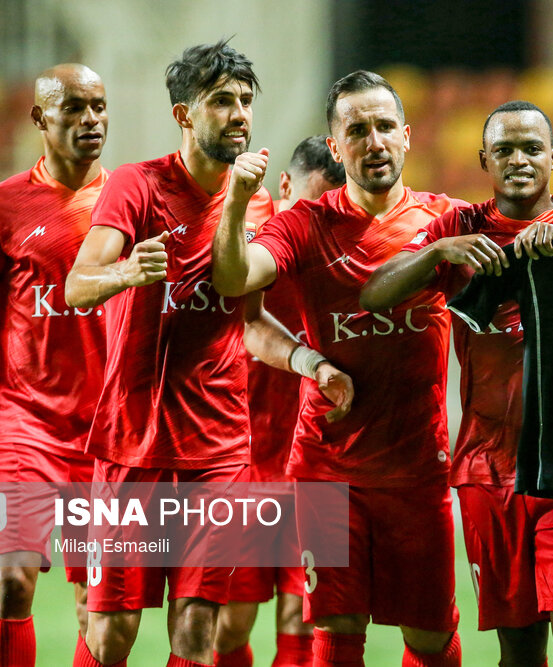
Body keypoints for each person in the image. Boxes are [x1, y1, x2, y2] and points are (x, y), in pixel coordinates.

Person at [211, 72, 553, 667]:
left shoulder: (448, 220)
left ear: (407, 136)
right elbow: (238, 282)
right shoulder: (305, 225)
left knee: (429, 640)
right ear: (336, 146)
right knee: (336, 637)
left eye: (385, 127)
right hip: (326, 467)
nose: (374, 142)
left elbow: (522, 219)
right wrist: (238, 201)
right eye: (357, 130)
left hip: (420, 468)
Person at [361, 100, 553, 667]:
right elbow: (373, 291)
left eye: (532, 149)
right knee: (519, 649)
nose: (519, 160)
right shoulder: (459, 228)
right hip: (487, 465)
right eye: (504, 149)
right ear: (484, 160)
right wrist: (435, 250)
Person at [64, 40, 278, 667]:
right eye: (221, 101)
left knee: (195, 634)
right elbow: (79, 286)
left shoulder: (256, 204)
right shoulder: (137, 186)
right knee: (111, 638)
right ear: (185, 115)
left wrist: (309, 362)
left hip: (219, 453)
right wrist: (128, 271)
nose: (239, 113)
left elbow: (253, 318)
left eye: (245, 100)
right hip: (135, 446)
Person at [213, 136, 345, 667]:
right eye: (312, 201)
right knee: (230, 619)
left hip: (314, 452)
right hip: (238, 453)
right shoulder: (245, 229)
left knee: (304, 615)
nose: (319, 215)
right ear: (284, 185)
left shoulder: (342, 242)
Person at [0, 63, 109, 667]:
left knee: (98, 605)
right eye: (72, 108)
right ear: (41, 118)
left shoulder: (128, 202)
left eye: (97, 106)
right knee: (11, 581)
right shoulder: (9, 204)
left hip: (105, 434)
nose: (90, 119)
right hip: (26, 423)